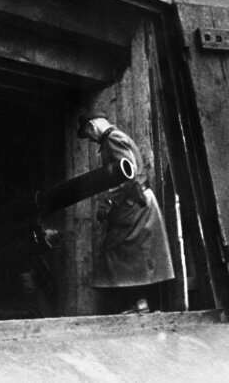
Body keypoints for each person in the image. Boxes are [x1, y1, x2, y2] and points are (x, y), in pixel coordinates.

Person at [77, 113, 175, 313]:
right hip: (134, 203)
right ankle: (140, 303)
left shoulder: (112, 139)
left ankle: (140, 304)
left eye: (88, 134)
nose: (90, 139)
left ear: (92, 126)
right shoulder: (113, 139)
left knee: (126, 253)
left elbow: (127, 174)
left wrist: (108, 202)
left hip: (135, 204)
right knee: (132, 254)